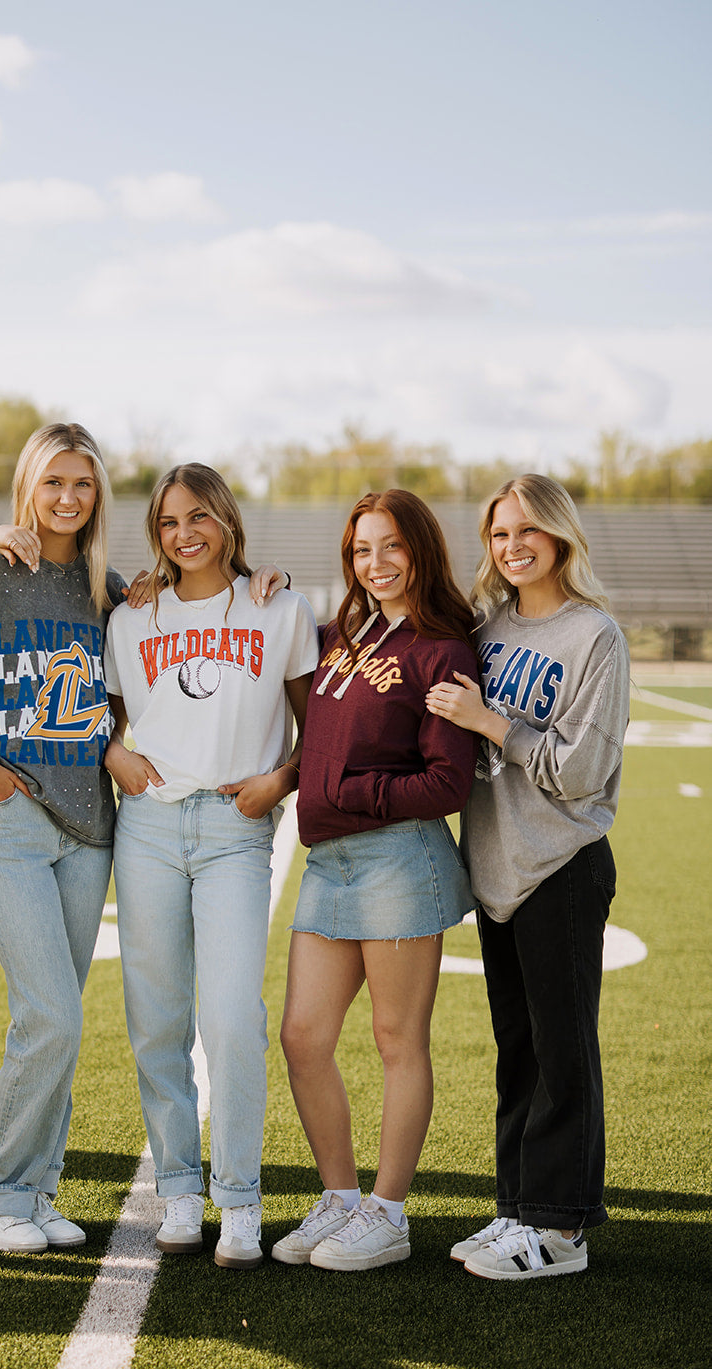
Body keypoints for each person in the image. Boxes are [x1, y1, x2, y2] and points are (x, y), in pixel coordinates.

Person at [103, 464, 319, 1268]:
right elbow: (110, 717)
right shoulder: (133, 616)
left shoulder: (279, 607)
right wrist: (110, 749)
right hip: (149, 826)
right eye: (167, 523)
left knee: (230, 1018)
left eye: (198, 518)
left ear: (225, 521)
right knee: (157, 1021)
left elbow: (315, 730)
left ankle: (238, 1198)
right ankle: (181, 1190)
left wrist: (281, 779)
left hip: (234, 828)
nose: (183, 534)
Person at [0, 422, 129, 1255]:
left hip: (89, 827)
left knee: (63, 1020)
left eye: (82, 485)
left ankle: (36, 1189)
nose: (67, 499)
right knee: (46, 1015)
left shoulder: (108, 589)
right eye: (53, 483)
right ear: (28, 488)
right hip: (10, 817)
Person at [426, 474, 628, 1280]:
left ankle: (561, 1230)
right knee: (519, 1048)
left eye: (525, 531)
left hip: (561, 866)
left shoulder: (593, 635)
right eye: (498, 533)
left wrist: (489, 722)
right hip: (496, 868)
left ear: (558, 536)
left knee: (562, 1048)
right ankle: (517, 1206)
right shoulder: (488, 625)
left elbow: (579, 771)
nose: (510, 547)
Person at [273, 489, 478, 1272]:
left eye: (391, 546)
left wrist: (343, 792)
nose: (376, 563)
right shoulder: (341, 634)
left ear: (420, 549)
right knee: (304, 1036)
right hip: (330, 862)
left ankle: (387, 1215)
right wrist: (267, 586)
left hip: (400, 856)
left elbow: (445, 785)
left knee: (396, 1040)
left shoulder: (442, 649)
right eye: (361, 550)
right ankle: (339, 1198)